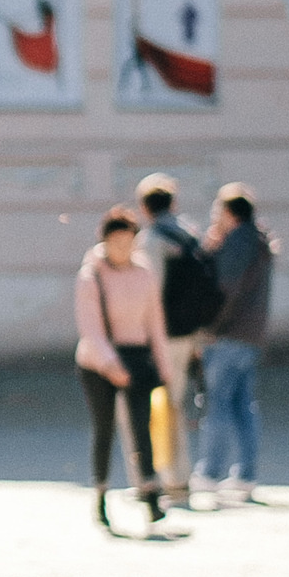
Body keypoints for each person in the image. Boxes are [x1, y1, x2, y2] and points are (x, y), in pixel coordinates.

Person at [74, 206, 181, 530]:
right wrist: (110, 365)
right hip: (96, 362)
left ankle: (150, 495)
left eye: (128, 241)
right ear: (105, 240)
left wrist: (164, 366)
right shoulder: (90, 275)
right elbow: (90, 328)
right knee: (104, 429)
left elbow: (155, 323)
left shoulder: (143, 272)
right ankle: (101, 494)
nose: (122, 248)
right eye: (116, 241)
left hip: (137, 358)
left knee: (141, 427)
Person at [137, 174, 222, 504]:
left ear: (145, 207)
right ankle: (174, 476)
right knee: (176, 401)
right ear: (172, 202)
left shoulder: (154, 238)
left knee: (165, 405)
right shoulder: (189, 233)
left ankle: (172, 478)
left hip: (165, 335)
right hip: (190, 331)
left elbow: (152, 292)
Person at [199, 183, 274, 506]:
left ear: (230, 213)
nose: (215, 217)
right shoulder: (257, 240)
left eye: (218, 210)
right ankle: (245, 474)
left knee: (217, 404)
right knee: (243, 405)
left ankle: (210, 473)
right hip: (251, 335)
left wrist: (211, 327)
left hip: (229, 335)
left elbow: (227, 288)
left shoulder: (239, 241)